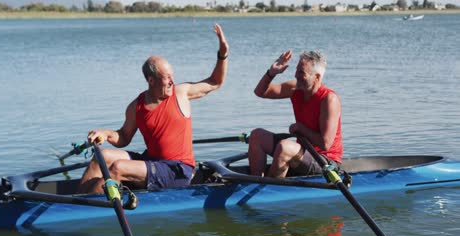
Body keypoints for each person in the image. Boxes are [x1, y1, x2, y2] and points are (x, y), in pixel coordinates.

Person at [78, 23, 229, 194]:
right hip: (153, 162)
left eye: (172, 76)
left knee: (119, 167)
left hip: (178, 170)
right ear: (151, 80)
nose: (172, 81)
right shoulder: (136, 106)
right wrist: (104, 133)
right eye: (167, 78)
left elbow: (215, 82)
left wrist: (222, 54)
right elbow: (124, 137)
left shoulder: (181, 93)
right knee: (102, 156)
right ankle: (76, 202)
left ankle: (86, 207)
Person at [248, 50, 342, 178]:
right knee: (256, 135)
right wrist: (272, 73)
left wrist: (300, 128)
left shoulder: (329, 99)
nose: (296, 75)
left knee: (284, 147)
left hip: (325, 162)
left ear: (317, 77)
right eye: (297, 70)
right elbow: (260, 92)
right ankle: (255, 183)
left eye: (301, 73)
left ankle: (270, 189)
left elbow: (325, 144)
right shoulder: (295, 88)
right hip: (303, 152)